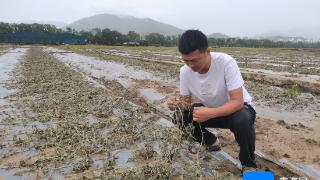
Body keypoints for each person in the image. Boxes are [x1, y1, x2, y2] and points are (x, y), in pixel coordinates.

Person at [166, 29, 257, 172]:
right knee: (180, 118)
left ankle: (249, 165)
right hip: (210, 109)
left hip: (237, 110)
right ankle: (212, 142)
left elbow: (237, 102)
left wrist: (210, 113)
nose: (190, 65)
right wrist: (175, 103)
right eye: (185, 60)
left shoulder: (225, 62)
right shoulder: (185, 71)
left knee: (243, 120)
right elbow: (185, 105)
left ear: (207, 52)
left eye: (194, 60)